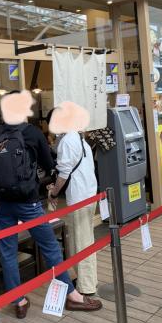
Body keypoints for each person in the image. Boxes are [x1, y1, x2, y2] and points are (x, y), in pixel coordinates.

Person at [0, 92, 102, 319]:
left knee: (8, 252)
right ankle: (72, 295)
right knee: (50, 247)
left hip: (2, 203)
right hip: (28, 202)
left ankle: (18, 301)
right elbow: (49, 164)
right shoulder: (31, 133)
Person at [48, 120, 99, 297]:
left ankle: (86, 286)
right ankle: (89, 279)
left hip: (79, 198)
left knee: (81, 242)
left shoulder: (68, 141)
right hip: (90, 194)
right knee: (86, 240)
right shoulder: (79, 138)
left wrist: (54, 193)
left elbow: (63, 174)